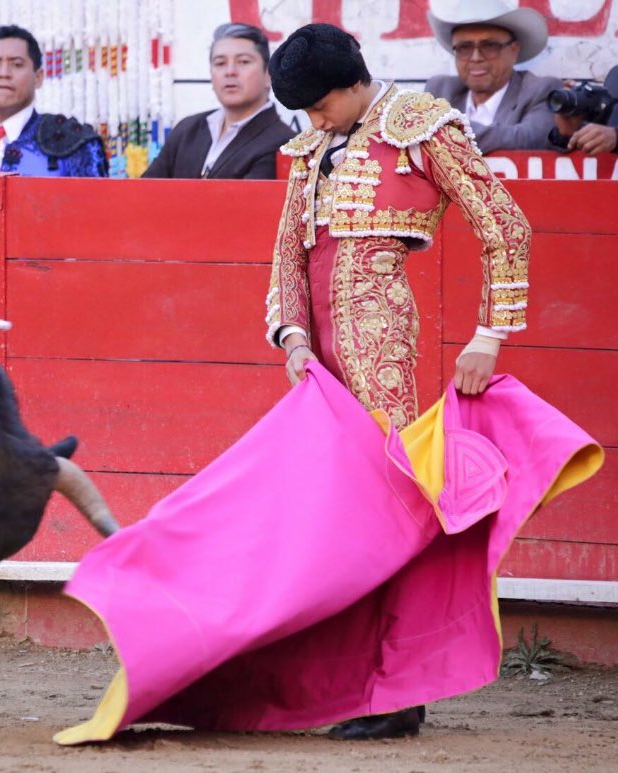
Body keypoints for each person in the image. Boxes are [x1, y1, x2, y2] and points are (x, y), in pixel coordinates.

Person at [265, 23, 530, 739]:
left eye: (320, 107)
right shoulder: (311, 145)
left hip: (379, 333)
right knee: (336, 511)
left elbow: (504, 224)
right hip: (317, 354)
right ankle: (355, 674)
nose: (312, 123)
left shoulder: (418, 126)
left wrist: (487, 334)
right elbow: (287, 251)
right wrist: (291, 336)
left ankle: (396, 689)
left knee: (387, 502)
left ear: (354, 84)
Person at [0, 25, 107, 181]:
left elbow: (96, 214)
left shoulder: (75, 143)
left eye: (16, 64)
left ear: (38, 77)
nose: (4, 73)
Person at [142, 23, 294, 180]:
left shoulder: (283, 144)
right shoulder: (187, 129)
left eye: (243, 62)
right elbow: (142, 192)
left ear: (268, 75)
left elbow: (247, 203)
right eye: (220, 63)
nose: (230, 72)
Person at [423, 0, 557, 153]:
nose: (476, 57)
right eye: (464, 47)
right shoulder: (439, 90)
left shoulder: (540, 90)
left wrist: (445, 130)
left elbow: (528, 139)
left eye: (489, 45)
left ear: (514, 50)